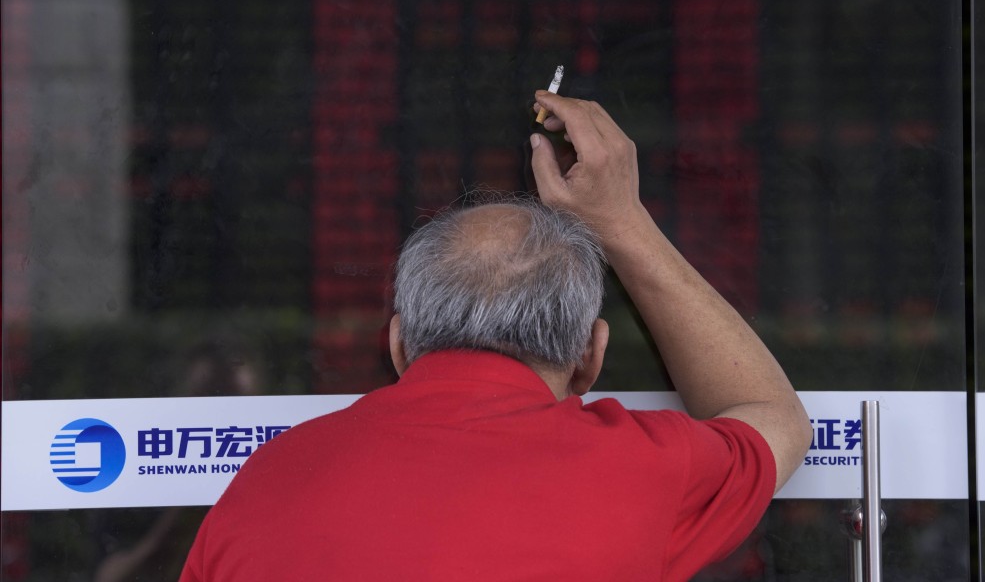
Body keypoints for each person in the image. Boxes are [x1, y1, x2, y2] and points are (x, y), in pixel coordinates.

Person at [178, 91, 812, 582]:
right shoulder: (641, 470)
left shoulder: (265, 485)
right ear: (590, 357)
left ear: (399, 345)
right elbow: (774, 415)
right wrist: (624, 224)